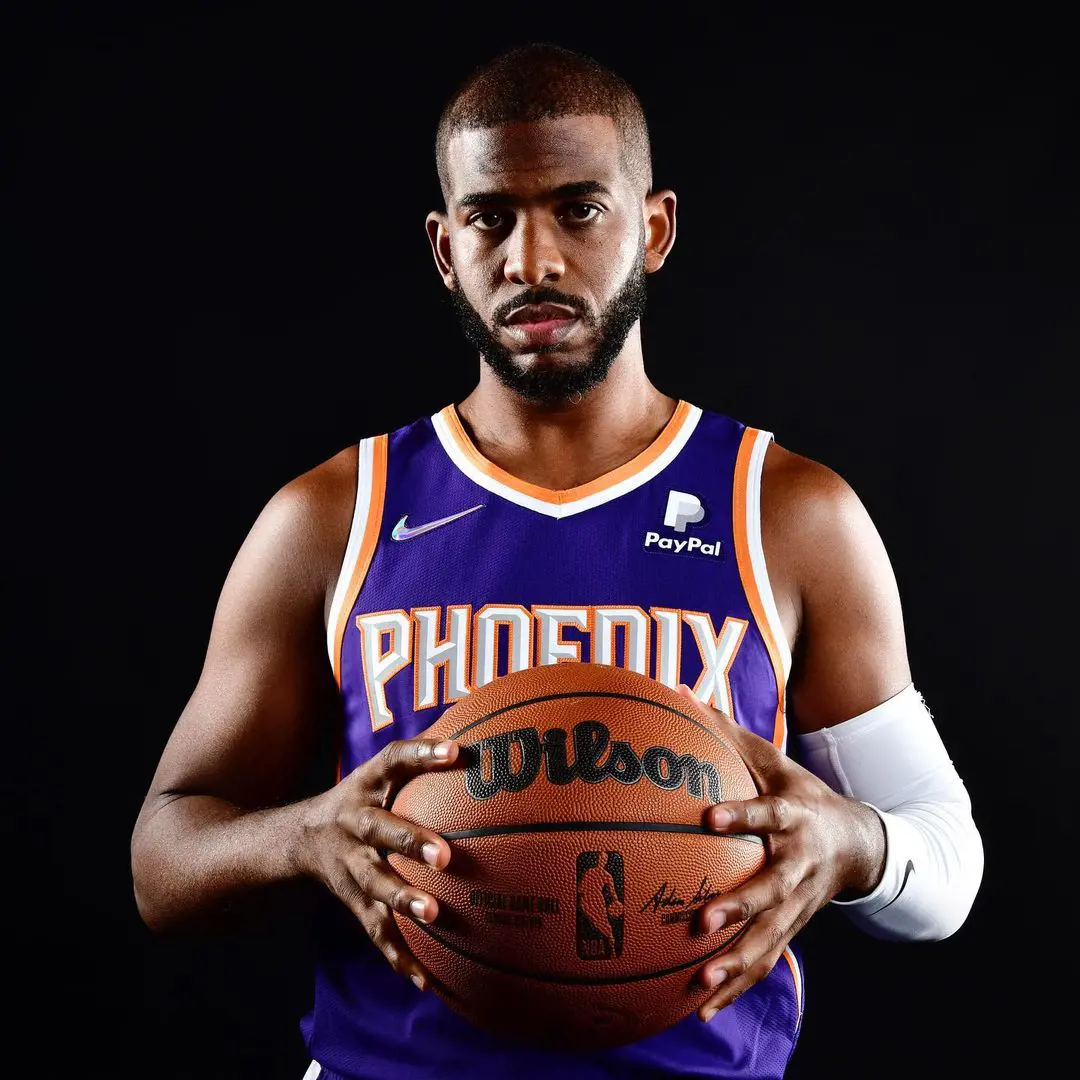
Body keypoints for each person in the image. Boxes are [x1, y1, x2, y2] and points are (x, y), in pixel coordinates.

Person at [130, 42, 984, 1080]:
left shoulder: (788, 512)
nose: (532, 260)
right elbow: (163, 861)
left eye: (579, 209)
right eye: (491, 217)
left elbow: (947, 866)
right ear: (446, 249)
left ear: (653, 228)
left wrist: (853, 844)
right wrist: (305, 837)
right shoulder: (333, 517)